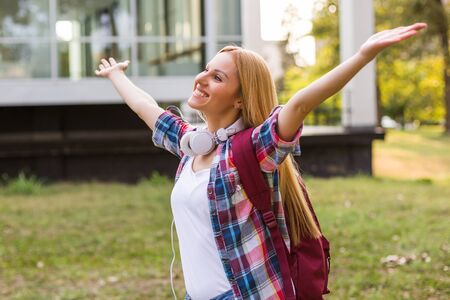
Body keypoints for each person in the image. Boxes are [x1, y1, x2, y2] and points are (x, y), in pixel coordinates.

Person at [95, 23, 427, 300]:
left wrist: (362, 55)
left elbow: (297, 106)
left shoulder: (253, 150)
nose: (202, 78)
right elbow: (146, 107)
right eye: (207, 70)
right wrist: (116, 75)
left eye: (218, 77)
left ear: (240, 99)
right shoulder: (192, 146)